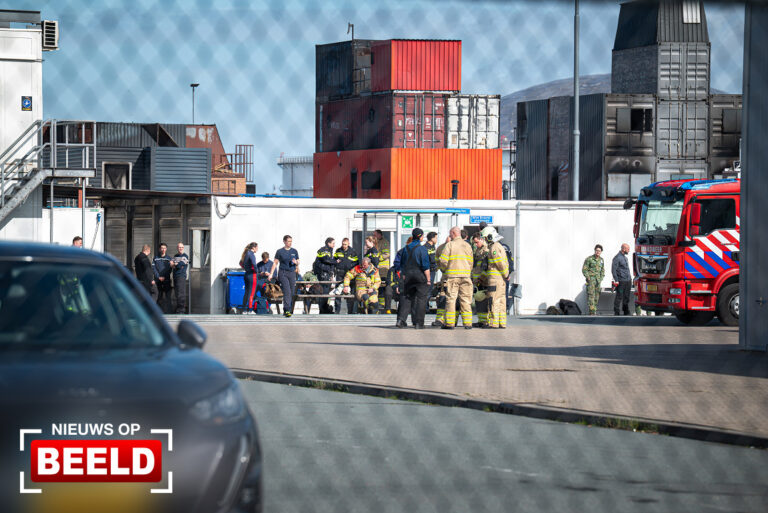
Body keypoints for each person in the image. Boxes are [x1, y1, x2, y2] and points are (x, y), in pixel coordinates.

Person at [438, 227, 474, 329]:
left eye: (450, 234)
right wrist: (467, 272)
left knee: (451, 300)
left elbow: (443, 260)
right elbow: (471, 262)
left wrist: (445, 270)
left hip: (453, 277)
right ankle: (468, 324)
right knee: (466, 300)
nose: (450, 236)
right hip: (466, 277)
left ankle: (449, 324)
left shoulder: (450, 245)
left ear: (453, 233)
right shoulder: (467, 245)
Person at [396, 228, 431, 329]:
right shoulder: (422, 249)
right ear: (420, 237)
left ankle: (401, 320)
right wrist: (428, 279)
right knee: (421, 299)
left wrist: (404, 276)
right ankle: (419, 323)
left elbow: (402, 264)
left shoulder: (406, 248)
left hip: (408, 275)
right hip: (419, 276)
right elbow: (425, 265)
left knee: (407, 298)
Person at [479, 230, 510, 328]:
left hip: (495, 279)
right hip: (500, 279)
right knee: (501, 301)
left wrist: (506, 274)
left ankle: (494, 323)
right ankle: (502, 322)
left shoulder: (494, 247)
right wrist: (505, 275)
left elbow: (499, 262)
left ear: (489, 236)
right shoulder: (499, 246)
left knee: (493, 301)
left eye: (484, 238)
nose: (484, 240)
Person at [269, 235, 300, 317]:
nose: (290, 243)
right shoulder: (280, 251)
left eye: (291, 241)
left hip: (292, 273)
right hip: (283, 273)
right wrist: (271, 273)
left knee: (292, 292)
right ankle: (286, 310)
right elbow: (275, 263)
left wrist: (296, 263)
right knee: (287, 291)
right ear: (284, 241)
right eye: (288, 241)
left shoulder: (294, 251)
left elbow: (298, 261)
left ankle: (288, 308)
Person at [313, 237, 337, 313]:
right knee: (324, 292)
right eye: (333, 243)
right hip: (323, 274)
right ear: (328, 243)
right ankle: (322, 310)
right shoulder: (325, 250)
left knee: (326, 293)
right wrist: (335, 261)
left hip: (326, 274)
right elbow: (326, 260)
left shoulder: (329, 251)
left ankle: (324, 309)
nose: (334, 245)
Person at [334, 238, 358, 314]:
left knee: (349, 293)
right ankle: (337, 311)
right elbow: (334, 260)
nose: (344, 246)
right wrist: (336, 264)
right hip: (340, 273)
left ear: (348, 244)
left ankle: (350, 311)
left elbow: (356, 263)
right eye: (343, 244)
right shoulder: (338, 251)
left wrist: (351, 269)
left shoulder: (352, 251)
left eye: (345, 244)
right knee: (338, 292)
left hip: (349, 274)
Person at [431, 236, 450, 327]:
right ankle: (440, 319)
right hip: (446, 278)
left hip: (458, 278)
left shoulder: (461, 247)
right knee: (442, 298)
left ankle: (451, 321)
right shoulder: (441, 248)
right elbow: (437, 262)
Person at [582, 244, 605, 315]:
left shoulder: (601, 260)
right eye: (597, 250)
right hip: (591, 280)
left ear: (601, 252)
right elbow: (584, 269)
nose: (598, 252)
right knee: (591, 295)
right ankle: (591, 311)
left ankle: (594, 310)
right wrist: (588, 277)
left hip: (598, 281)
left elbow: (602, 270)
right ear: (595, 251)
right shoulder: (589, 259)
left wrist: (601, 278)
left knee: (597, 296)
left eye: (599, 251)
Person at [612, 243, 632, 316]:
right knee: (619, 296)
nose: (629, 251)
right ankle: (616, 311)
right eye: (628, 249)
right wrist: (616, 280)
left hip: (628, 280)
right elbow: (613, 270)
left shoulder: (625, 258)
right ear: (623, 249)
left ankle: (626, 311)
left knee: (626, 297)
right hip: (621, 281)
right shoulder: (617, 258)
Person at [153, 242, 174, 313]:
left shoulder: (169, 259)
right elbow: (154, 268)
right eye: (162, 248)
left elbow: (170, 269)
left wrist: (164, 277)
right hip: (158, 281)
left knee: (168, 297)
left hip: (167, 280)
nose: (163, 250)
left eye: (164, 248)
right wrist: (158, 277)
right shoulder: (155, 258)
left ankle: (169, 312)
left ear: (166, 249)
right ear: (159, 249)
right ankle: (158, 313)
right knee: (159, 297)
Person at [240, 242, 259, 314]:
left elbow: (240, 263)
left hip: (246, 274)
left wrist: (246, 268)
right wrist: (256, 271)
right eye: (257, 247)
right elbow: (254, 264)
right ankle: (250, 310)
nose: (257, 249)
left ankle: (244, 310)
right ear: (253, 248)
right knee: (252, 293)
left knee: (247, 292)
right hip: (252, 275)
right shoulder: (251, 254)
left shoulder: (245, 254)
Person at [374, 230, 390, 312]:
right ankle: (378, 304)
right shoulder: (374, 242)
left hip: (383, 269)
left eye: (375, 235)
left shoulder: (384, 242)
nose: (374, 236)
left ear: (380, 235)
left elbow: (386, 254)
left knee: (383, 287)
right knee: (378, 287)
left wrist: (377, 258)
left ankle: (383, 305)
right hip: (376, 269)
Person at [172, 242, 189, 314]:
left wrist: (176, 264)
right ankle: (178, 309)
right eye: (179, 247)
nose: (180, 248)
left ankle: (181, 310)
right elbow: (173, 265)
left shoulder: (185, 256)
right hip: (175, 276)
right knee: (176, 293)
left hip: (181, 276)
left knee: (181, 293)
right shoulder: (175, 256)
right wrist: (176, 264)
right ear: (177, 248)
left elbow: (179, 266)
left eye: (182, 247)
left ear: (183, 248)